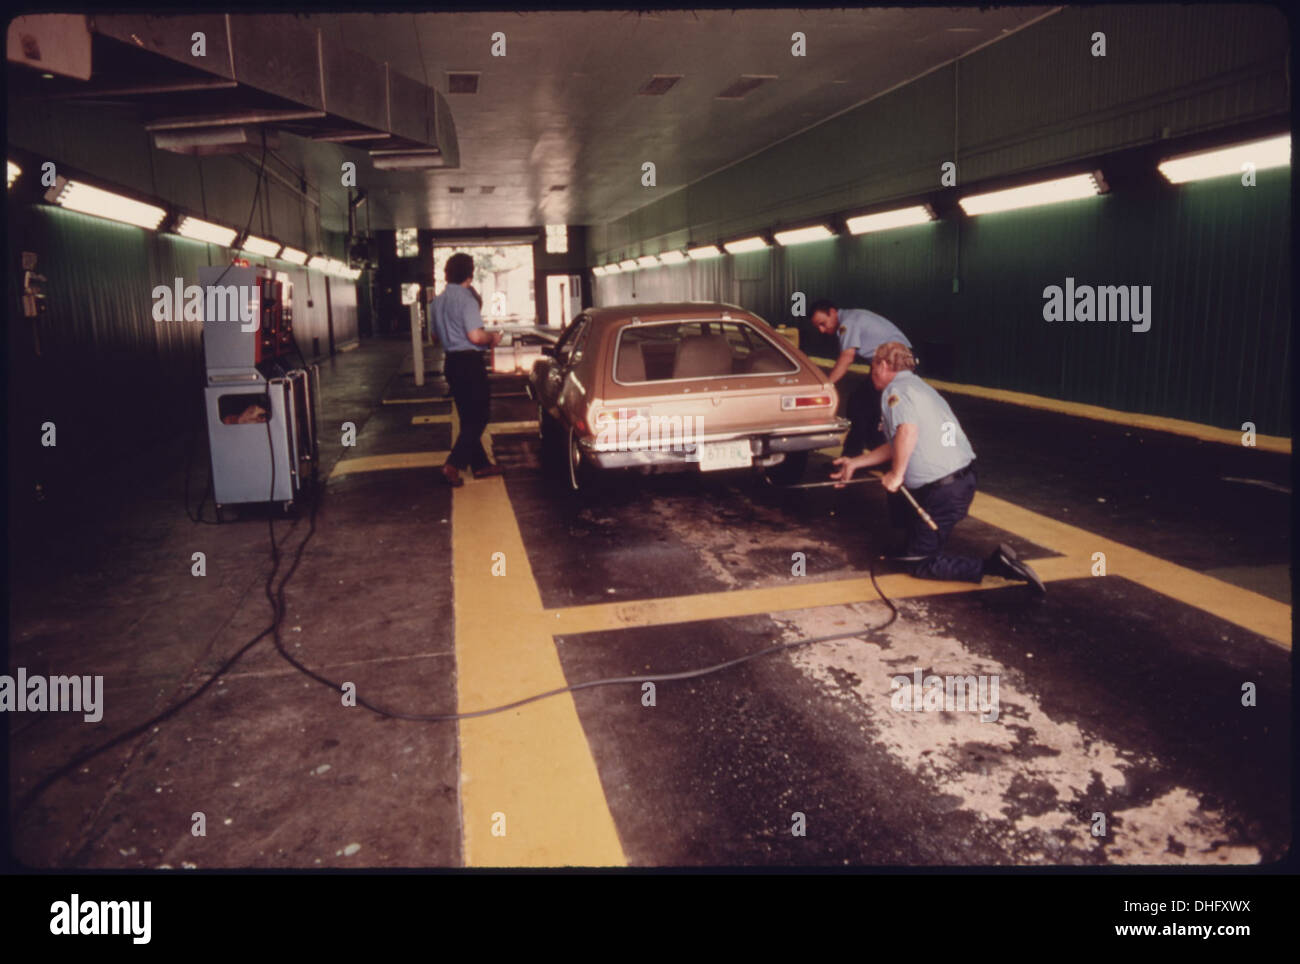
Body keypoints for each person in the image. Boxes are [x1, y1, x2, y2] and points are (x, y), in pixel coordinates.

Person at [830, 341, 1045, 592]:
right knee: (908, 530)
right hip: (957, 482)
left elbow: (907, 432)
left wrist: (896, 474)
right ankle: (914, 543)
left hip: (944, 490)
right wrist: (856, 462)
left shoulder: (895, 392)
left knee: (920, 563)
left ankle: (996, 567)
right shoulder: (917, 387)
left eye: (872, 367)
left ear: (884, 365)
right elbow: (897, 443)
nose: (870, 374)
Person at [430, 253, 503, 486]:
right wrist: (493, 337)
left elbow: (433, 338)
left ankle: (480, 465)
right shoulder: (467, 300)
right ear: (470, 275)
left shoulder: (437, 302)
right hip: (469, 363)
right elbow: (475, 335)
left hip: (451, 362)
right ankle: (453, 464)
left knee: (467, 416)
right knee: (480, 416)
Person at [808, 300, 913, 457]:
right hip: (892, 362)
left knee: (859, 405)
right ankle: (865, 454)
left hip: (896, 363)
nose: (822, 330)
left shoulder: (848, 323)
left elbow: (847, 357)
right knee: (865, 408)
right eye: (818, 327)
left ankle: (853, 457)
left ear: (833, 312)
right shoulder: (852, 317)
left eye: (823, 323)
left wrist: (827, 385)